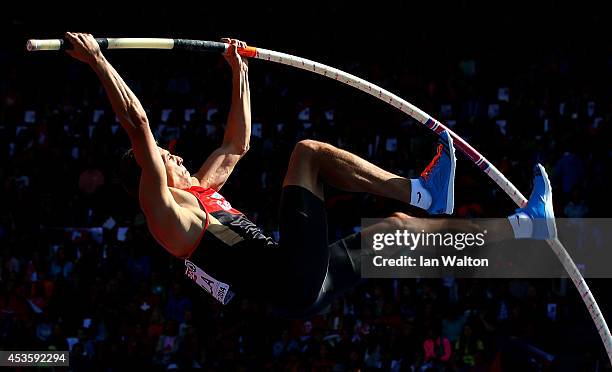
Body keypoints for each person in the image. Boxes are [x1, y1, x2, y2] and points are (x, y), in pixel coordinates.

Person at [62, 32, 556, 318]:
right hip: (289, 282)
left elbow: (237, 144)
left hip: (303, 287)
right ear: (151, 176)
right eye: (167, 159)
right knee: (308, 155)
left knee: (395, 233)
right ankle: (423, 192)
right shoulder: (167, 217)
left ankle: (525, 230)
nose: (177, 158)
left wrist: (239, 72)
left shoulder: (199, 191)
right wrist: (98, 60)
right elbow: (137, 123)